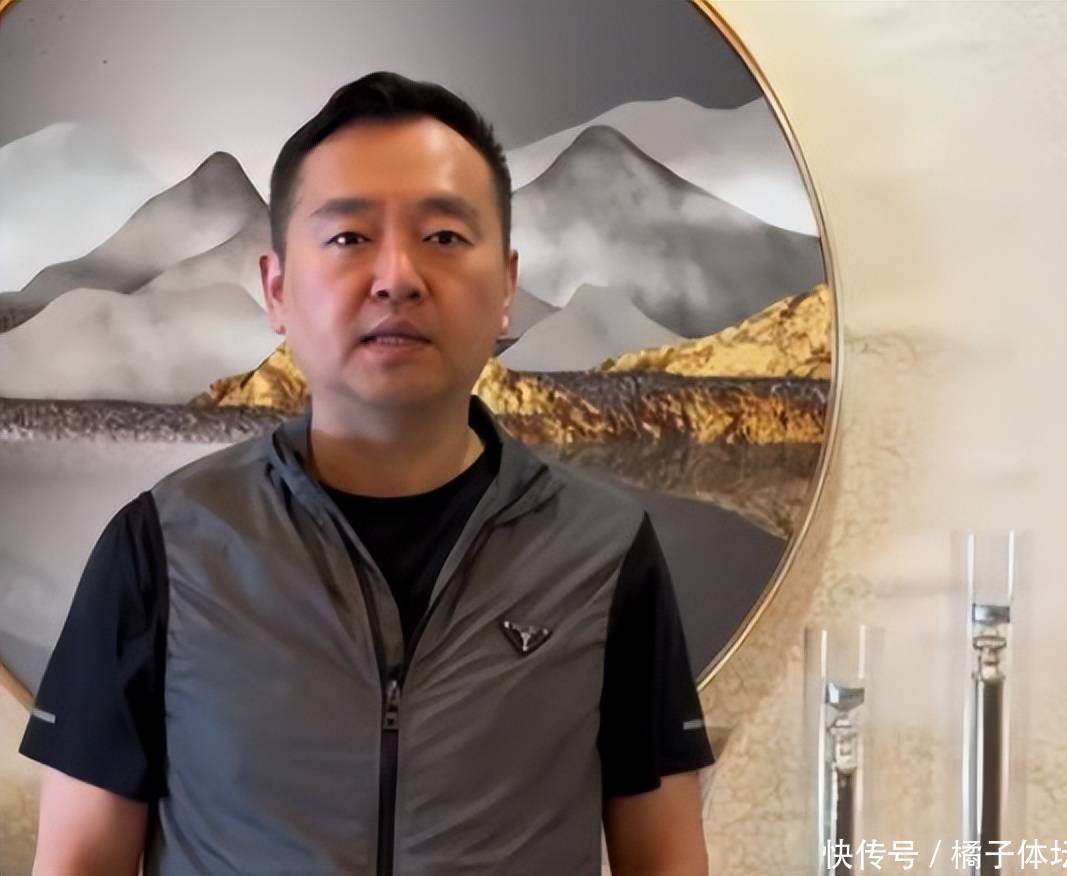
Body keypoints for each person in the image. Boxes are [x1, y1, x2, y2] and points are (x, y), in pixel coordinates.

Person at [19, 71, 715, 875]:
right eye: (349, 237)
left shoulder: (604, 551)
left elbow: (665, 858)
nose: (397, 277)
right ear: (277, 290)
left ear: (506, 290)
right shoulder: (163, 548)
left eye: (444, 237)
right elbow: (78, 861)